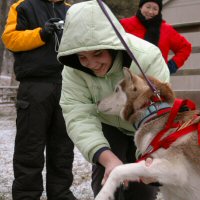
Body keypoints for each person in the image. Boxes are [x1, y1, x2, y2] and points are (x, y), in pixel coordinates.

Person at [57, 1, 170, 199]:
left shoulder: (147, 57)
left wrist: (147, 155)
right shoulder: (73, 70)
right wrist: (107, 159)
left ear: (112, 45)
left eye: (98, 53)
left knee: (142, 187)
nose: (92, 64)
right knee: (106, 182)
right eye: (82, 57)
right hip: (106, 124)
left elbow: (160, 109)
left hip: (145, 125)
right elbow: (78, 115)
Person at [2, 0, 77, 200]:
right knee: (30, 146)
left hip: (67, 85)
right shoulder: (22, 6)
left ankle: (60, 194)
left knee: (63, 148)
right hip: (34, 85)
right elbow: (10, 39)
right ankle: (26, 195)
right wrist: (41, 33)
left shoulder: (71, 10)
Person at [120, 0, 192, 74]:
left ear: (159, 11)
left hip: (156, 78)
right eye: (148, 7)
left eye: (155, 9)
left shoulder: (166, 29)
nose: (151, 12)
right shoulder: (124, 24)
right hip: (127, 75)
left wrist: (172, 66)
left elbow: (186, 47)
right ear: (141, 7)